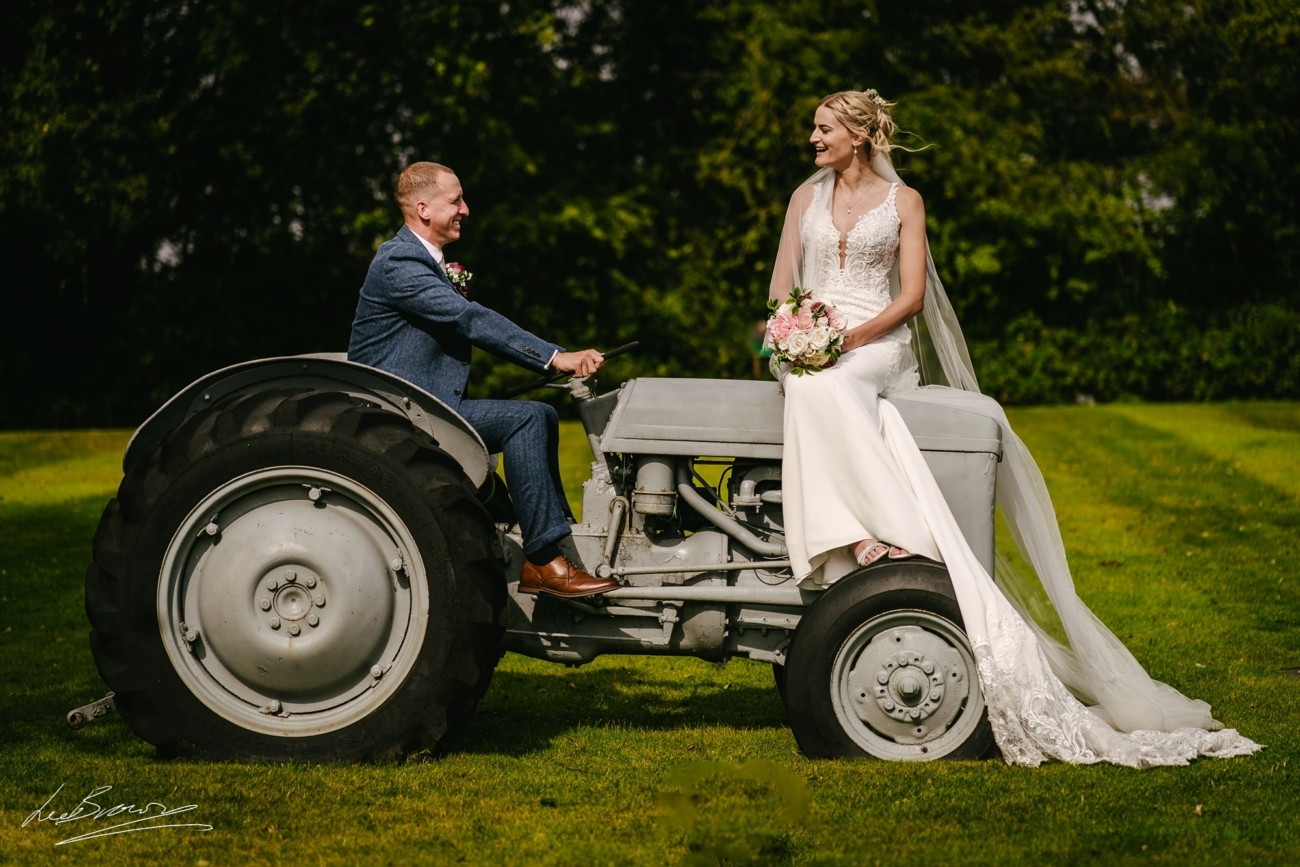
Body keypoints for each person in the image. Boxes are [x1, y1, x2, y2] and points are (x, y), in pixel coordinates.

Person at [770, 90, 1261, 767]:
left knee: (830, 383)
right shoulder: (804, 198)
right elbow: (782, 285)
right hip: (811, 340)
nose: (812, 138)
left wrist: (851, 337)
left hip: (876, 341)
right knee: (807, 381)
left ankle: (873, 536)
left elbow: (911, 296)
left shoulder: (904, 202)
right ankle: (858, 534)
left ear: (857, 135)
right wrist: (790, 335)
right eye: (813, 128)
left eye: (823, 128)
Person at [349, 161, 619, 599]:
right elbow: (469, 319)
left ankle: (559, 542)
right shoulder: (399, 260)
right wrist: (555, 357)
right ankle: (544, 561)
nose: (466, 209)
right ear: (423, 209)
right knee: (527, 419)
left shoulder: (424, 262)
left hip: (426, 404)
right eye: (455, 200)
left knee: (542, 416)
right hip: (398, 414)